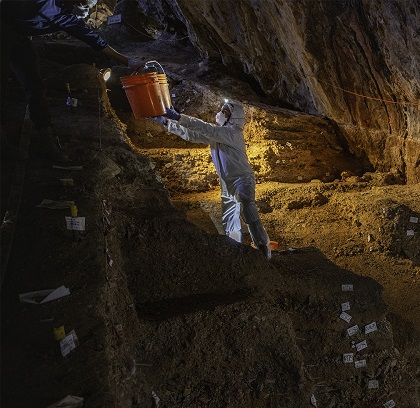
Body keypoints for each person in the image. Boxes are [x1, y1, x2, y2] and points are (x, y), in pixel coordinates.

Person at [1, 0, 133, 163]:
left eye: (91, 6)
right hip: (3, 28)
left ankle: (47, 142)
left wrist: (129, 62)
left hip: (20, 35)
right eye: (85, 6)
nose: (88, 10)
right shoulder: (45, 3)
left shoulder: (68, 17)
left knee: (35, 86)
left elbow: (94, 40)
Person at [153, 101, 272, 258]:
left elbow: (204, 127)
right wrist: (167, 123)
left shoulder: (232, 133)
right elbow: (192, 134)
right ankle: (235, 251)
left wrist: (178, 117)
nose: (221, 113)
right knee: (230, 218)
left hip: (242, 179)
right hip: (227, 182)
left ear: (233, 118)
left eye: (225, 112)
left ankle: (263, 248)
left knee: (249, 211)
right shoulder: (220, 134)